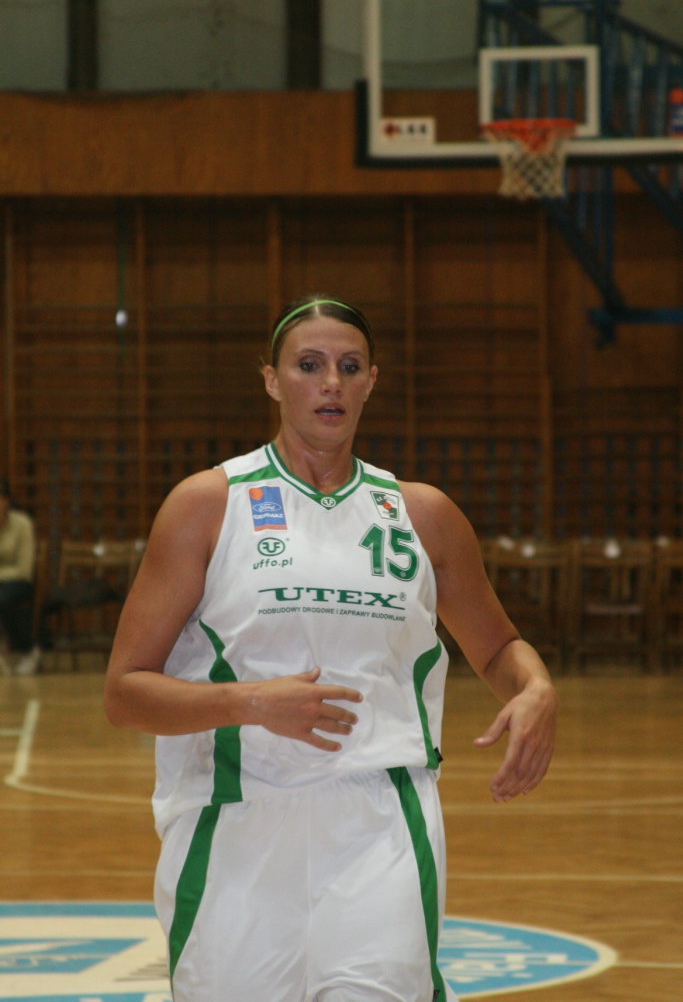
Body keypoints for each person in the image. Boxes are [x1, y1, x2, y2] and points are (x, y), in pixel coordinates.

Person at [104, 295, 558, 1002]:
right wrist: (252, 703)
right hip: (236, 827)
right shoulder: (207, 504)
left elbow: (499, 647)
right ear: (271, 380)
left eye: (349, 367)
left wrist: (535, 688)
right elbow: (125, 693)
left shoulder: (422, 515)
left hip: (380, 827)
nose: (330, 384)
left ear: (371, 381)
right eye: (309, 365)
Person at [0, 479, 41, 676]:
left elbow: (24, 569)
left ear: (6, 501)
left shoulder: (22, 524)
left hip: (18, 582)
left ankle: (28, 650)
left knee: (4, 600)